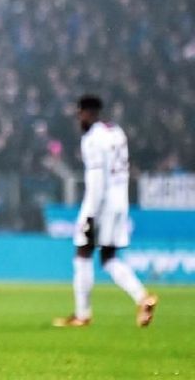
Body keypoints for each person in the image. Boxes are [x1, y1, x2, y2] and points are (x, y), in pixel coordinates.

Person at [53, 95, 158, 328]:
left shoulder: (92, 139)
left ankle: (82, 314)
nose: (78, 119)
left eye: (79, 113)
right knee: (109, 258)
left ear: (87, 113)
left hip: (101, 204)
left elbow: (97, 181)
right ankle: (143, 298)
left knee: (83, 253)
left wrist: (90, 215)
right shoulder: (116, 132)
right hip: (120, 201)